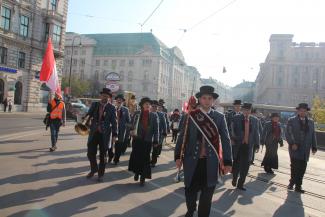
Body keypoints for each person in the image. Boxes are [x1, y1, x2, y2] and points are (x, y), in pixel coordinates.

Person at [175, 86, 232, 217]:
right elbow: (182, 137)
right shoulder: (190, 115)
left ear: (213, 101)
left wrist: (228, 161)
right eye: (204, 98)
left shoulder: (219, 117)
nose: (207, 101)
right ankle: (190, 210)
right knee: (190, 191)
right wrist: (178, 156)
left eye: (209, 98)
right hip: (191, 160)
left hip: (211, 162)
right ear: (199, 99)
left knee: (207, 196)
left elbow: (226, 140)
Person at [85, 88, 117, 182]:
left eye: (107, 96)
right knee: (90, 153)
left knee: (103, 156)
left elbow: (114, 122)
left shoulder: (112, 108)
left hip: (105, 135)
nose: (105, 97)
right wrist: (85, 118)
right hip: (94, 132)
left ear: (109, 98)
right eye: (103, 95)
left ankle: (101, 174)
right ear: (100, 96)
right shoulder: (95, 104)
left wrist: (115, 134)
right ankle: (94, 168)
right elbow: (89, 114)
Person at [285, 103, 317, 193]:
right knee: (295, 167)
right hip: (295, 148)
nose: (303, 112)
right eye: (301, 111)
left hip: (305, 150)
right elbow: (288, 133)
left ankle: (298, 186)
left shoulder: (311, 122)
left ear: (307, 112)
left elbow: (313, 134)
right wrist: (292, 143)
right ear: (298, 111)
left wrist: (314, 146)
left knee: (302, 168)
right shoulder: (291, 120)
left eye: (304, 111)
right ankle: (291, 183)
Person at [128, 97, 159, 186]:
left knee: (145, 159)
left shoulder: (154, 115)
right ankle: (137, 173)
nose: (147, 105)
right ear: (142, 105)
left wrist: (156, 140)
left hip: (147, 140)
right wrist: (130, 130)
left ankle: (143, 177)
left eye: (149, 104)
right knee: (137, 156)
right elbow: (132, 124)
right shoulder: (137, 114)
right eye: (146, 104)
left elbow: (156, 129)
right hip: (137, 139)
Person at [231, 102, 260, 191]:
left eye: (248, 110)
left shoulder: (255, 120)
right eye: (245, 110)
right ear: (242, 110)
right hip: (238, 145)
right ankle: (235, 177)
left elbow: (256, 133)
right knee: (236, 164)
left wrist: (257, 144)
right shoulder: (236, 118)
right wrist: (232, 138)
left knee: (246, 166)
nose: (247, 112)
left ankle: (241, 184)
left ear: (250, 111)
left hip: (249, 146)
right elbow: (231, 129)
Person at [113, 94, 131, 165]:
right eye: (118, 99)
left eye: (121, 100)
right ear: (116, 100)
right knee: (110, 145)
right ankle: (110, 155)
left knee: (119, 145)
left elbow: (129, 121)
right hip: (112, 130)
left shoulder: (126, 110)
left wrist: (127, 130)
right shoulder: (112, 108)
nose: (119, 101)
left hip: (122, 131)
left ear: (123, 101)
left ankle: (116, 159)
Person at [151, 100, 167, 167]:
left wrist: (165, 132)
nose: (154, 107)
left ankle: (153, 162)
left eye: (155, 106)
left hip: (157, 134)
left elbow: (164, 124)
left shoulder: (161, 114)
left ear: (157, 107)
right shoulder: (148, 113)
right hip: (148, 135)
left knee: (155, 149)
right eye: (153, 106)